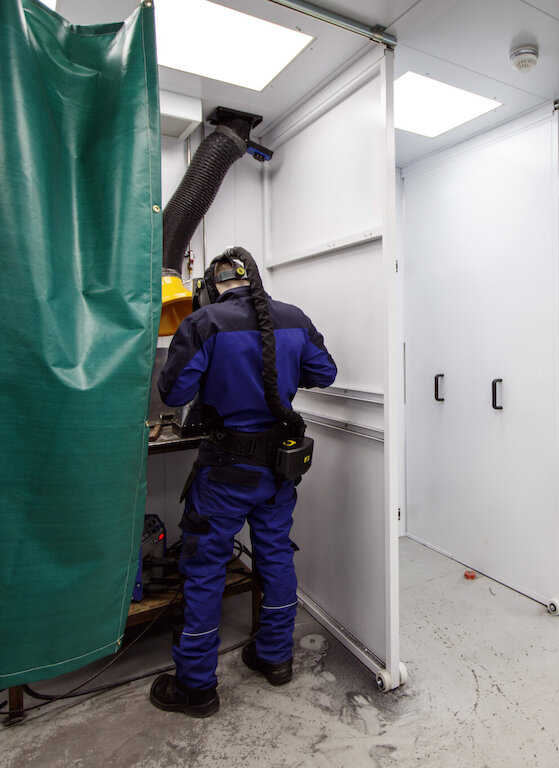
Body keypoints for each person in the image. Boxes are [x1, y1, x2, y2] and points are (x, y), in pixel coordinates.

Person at [151, 247, 337, 718]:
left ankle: (196, 686)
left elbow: (174, 392)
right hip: (278, 467)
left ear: (214, 284)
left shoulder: (205, 323)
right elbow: (325, 373)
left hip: (225, 471)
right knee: (275, 554)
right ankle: (275, 658)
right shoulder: (293, 317)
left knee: (205, 566)